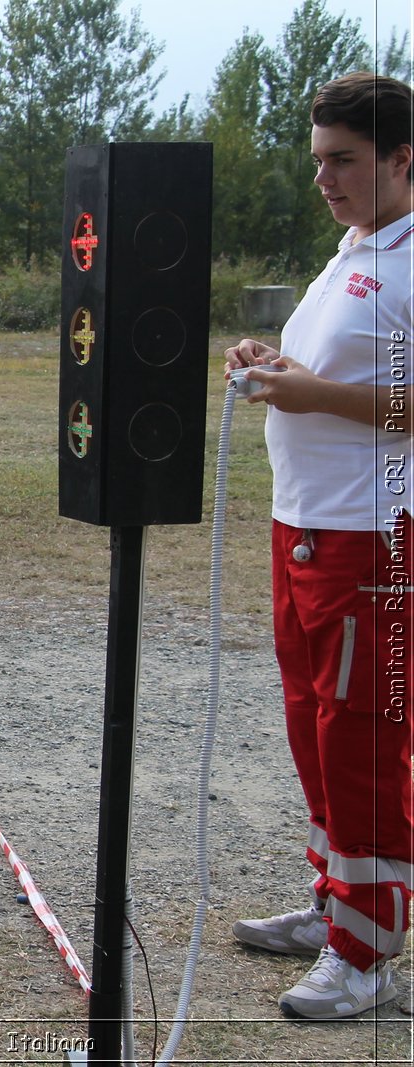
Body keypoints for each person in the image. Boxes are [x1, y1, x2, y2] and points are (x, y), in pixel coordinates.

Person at [224, 70, 413, 1021]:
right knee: (312, 721)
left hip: (375, 536)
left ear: (401, 159)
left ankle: (366, 954)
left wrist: (315, 396)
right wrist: (271, 368)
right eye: (317, 162)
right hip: (303, 520)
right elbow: (336, 371)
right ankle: (332, 899)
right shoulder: (351, 252)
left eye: (344, 160)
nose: (325, 179)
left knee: (364, 735)